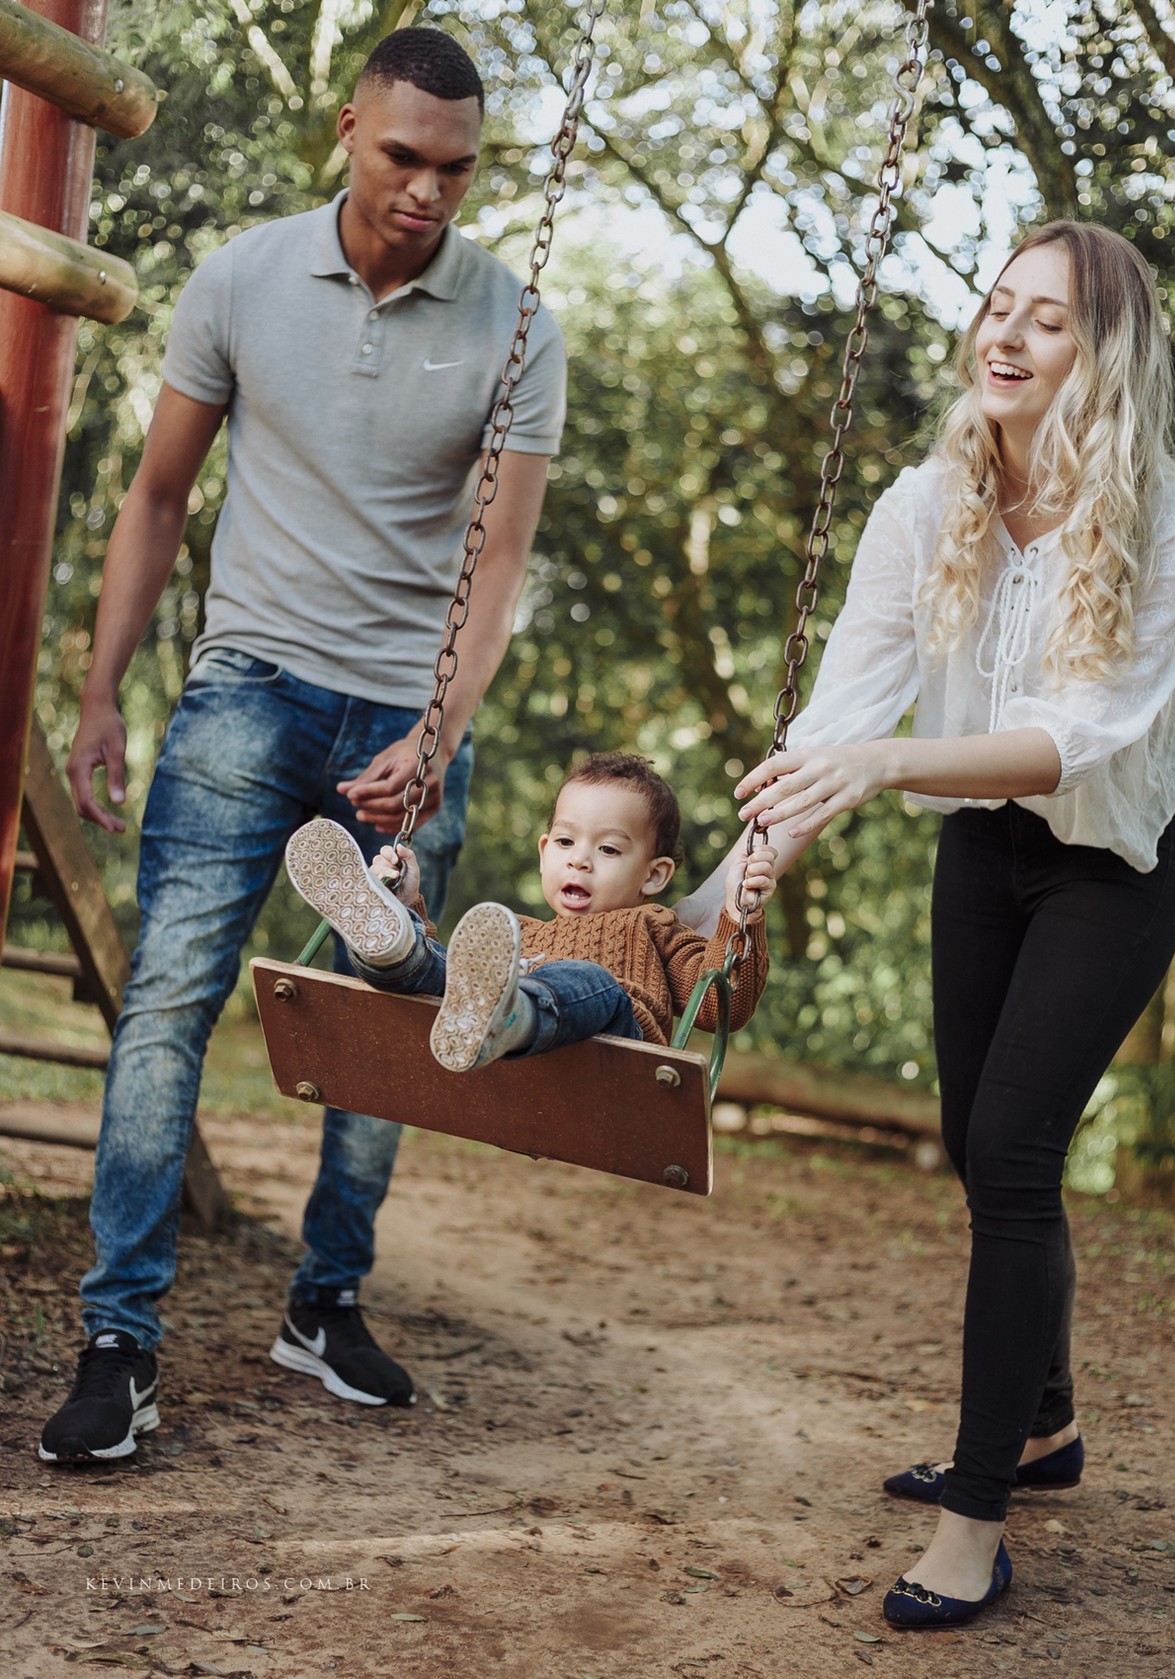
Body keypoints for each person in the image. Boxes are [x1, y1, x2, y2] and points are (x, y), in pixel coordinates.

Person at [40, 26, 567, 1462]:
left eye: (457, 168)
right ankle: (120, 1336)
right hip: (247, 691)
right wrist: (100, 695)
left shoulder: (517, 324)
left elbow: (500, 559)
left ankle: (325, 1303)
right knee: (167, 1005)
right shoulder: (243, 276)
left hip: (405, 715)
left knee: (393, 1032)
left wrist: (437, 735)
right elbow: (156, 498)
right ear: (348, 126)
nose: (428, 191)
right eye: (403, 156)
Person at [675, 222, 1175, 1628]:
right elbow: (843, 719)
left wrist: (895, 764)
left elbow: (1085, 740)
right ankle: (1045, 1426)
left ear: (1106, 357)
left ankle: (979, 1518)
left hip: (1115, 858)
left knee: (1018, 1149)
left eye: (1050, 322)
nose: (1007, 336)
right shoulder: (926, 500)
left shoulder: (1166, 513)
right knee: (980, 1144)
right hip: (983, 851)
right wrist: (724, 893)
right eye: (998, 306)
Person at [282, 752, 775, 1085]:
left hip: (619, 1051)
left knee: (592, 980)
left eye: (607, 848)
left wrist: (740, 915)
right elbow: (451, 992)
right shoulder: (517, 930)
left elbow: (713, 1006)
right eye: (565, 842)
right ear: (544, 853)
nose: (579, 860)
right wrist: (412, 903)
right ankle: (393, 944)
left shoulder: (655, 924)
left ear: (653, 875)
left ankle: (513, 1014)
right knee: (442, 968)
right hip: (511, 1035)